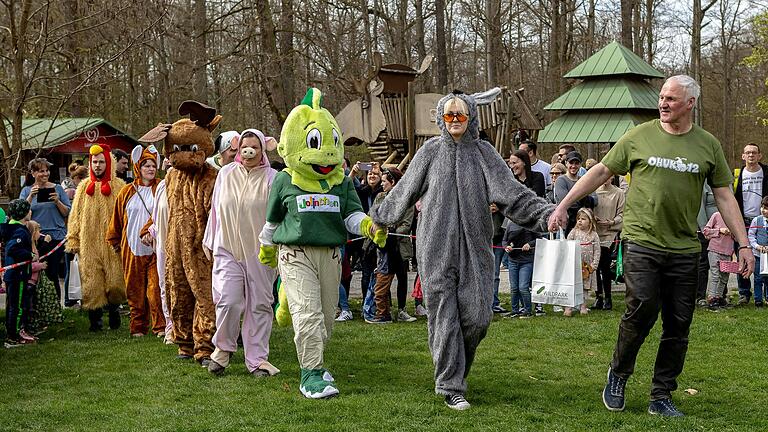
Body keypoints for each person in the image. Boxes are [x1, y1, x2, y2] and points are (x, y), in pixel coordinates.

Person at [548, 75, 753, 417]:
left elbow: (723, 195)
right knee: (641, 307)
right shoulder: (639, 136)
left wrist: (743, 243)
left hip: (686, 248)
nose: (663, 103)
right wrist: (562, 204)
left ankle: (661, 394)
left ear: (690, 103)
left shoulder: (707, 144)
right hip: (642, 241)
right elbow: (600, 172)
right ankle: (619, 373)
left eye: (671, 98)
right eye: (662, 97)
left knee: (678, 324)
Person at [371, 91, 553, 410]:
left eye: (461, 115)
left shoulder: (484, 153)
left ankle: (457, 372)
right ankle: (450, 385)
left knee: (477, 317)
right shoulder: (429, 152)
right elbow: (405, 189)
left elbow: (512, 193)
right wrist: (381, 216)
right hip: (435, 246)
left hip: (475, 247)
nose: (455, 121)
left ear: (471, 118)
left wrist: (546, 213)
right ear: (441, 119)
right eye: (449, 115)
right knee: (443, 316)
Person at [258, 88, 387, 399]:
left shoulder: (341, 182)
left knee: (326, 318)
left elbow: (352, 216)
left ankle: (286, 296)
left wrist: (369, 227)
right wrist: (266, 247)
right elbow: (273, 221)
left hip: (331, 256)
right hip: (296, 253)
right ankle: (311, 374)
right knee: (308, 315)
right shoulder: (285, 180)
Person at [204, 129, 280, 377]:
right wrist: (209, 240)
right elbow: (215, 209)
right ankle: (222, 351)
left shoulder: (273, 177)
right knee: (228, 300)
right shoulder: (225, 174)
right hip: (227, 248)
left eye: (254, 147)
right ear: (237, 150)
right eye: (244, 147)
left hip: (260, 252)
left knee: (259, 304)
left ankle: (257, 360)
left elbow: (278, 215)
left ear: (262, 151)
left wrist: (275, 248)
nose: (248, 152)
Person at [66, 144, 127, 332]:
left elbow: (126, 215)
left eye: (101, 162)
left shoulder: (120, 187)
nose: (97, 166)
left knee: (116, 282)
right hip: (88, 243)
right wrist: (73, 240)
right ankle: (96, 321)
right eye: (94, 162)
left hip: (113, 244)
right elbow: (75, 215)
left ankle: (114, 312)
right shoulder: (84, 187)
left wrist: (124, 238)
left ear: (109, 163)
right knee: (92, 283)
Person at [107, 145, 165, 337]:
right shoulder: (126, 192)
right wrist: (114, 239)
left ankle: (160, 327)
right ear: (138, 166)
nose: (150, 169)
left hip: (156, 248)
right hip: (131, 248)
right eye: (146, 165)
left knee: (155, 290)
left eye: (153, 165)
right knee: (134, 291)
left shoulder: (162, 188)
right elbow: (117, 218)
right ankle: (138, 326)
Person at [367, 168, 417, 324]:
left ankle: (402, 310)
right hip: (383, 246)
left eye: (384, 182)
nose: (382, 185)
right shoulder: (380, 197)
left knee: (402, 278)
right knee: (383, 278)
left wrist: (389, 230)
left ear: (393, 182)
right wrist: (378, 230)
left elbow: (406, 224)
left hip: (399, 246)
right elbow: (372, 216)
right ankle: (384, 311)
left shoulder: (407, 200)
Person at [20, 158, 71, 305]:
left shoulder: (58, 189)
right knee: (34, 274)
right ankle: (36, 307)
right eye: (41, 171)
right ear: (33, 173)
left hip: (56, 237)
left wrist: (57, 201)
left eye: (47, 170)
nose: (45, 173)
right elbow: (20, 213)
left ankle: (55, 307)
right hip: (35, 238)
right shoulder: (26, 191)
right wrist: (30, 196)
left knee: (52, 272)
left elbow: (67, 212)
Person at [142, 157, 174, 344]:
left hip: (182, 244)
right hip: (162, 244)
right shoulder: (162, 187)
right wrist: (151, 232)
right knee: (164, 286)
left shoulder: (188, 185)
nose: (170, 168)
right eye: (167, 165)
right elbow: (156, 216)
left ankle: (187, 327)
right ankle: (170, 326)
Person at [733, 143, 768, 305]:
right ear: (743, 156)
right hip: (742, 221)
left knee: (764, 257)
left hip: (762, 221)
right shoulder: (737, 175)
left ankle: (764, 294)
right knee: (742, 256)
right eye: (748, 153)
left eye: (754, 153)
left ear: (759, 156)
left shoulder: (766, 172)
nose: (751, 155)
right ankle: (744, 293)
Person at [2, 199, 35, 347]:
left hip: (13, 275)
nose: (31, 212)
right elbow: (12, 249)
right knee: (17, 307)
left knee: (12, 305)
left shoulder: (10, 228)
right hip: (17, 275)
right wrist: (29, 255)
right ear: (23, 213)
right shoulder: (19, 231)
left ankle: (14, 331)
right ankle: (13, 336)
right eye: (28, 210)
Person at [25, 220, 63, 335]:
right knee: (30, 306)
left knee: (35, 305)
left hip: (34, 282)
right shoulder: (28, 247)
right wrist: (40, 266)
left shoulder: (34, 245)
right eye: (38, 230)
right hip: (29, 282)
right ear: (33, 233)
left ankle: (36, 325)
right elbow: (29, 264)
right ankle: (29, 328)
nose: (40, 233)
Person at [593, 176, 625, 310]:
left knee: (604, 267)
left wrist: (612, 222)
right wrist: (592, 217)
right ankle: (598, 297)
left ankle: (608, 298)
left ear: (612, 177)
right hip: (594, 233)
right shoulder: (594, 191)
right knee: (595, 267)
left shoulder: (619, 193)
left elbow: (622, 214)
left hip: (609, 233)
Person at [566, 208, 601, 316]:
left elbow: (597, 250)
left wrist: (594, 265)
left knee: (585, 287)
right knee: (572, 285)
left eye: (583, 219)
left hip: (587, 266)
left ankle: (583, 306)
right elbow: (567, 245)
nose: (580, 221)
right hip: (574, 265)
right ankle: (569, 307)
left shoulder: (594, 235)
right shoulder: (574, 232)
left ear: (590, 221)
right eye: (578, 219)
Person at [553, 151, 597, 235]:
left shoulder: (584, 180)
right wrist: (585, 198)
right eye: (571, 163)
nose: (573, 166)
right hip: (566, 223)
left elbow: (595, 200)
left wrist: (584, 199)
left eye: (576, 163)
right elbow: (566, 202)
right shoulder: (561, 180)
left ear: (580, 165)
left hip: (584, 226)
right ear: (566, 163)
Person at [502, 221, 539, 318]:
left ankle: (528, 311)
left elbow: (538, 238)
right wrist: (506, 247)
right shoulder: (510, 224)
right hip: (512, 260)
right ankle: (515, 310)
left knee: (523, 287)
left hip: (526, 261)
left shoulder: (531, 224)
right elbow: (504, 240)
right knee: (514, 288)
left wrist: (529, 244)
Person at [702, 211, 734, 310]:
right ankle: (712, 299)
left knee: (724, 277)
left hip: (727, 252)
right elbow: (706, 231)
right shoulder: (716, 215)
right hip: (714, 250)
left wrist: (732, 233)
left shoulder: (735, 218)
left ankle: (719, 298)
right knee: (715, 275)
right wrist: (719, 230)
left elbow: (738, 237)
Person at [696, 184, 718, 306]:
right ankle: (700, 296)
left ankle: (719, 295)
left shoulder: (727, 181)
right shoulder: (703, 183)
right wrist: (704, 228)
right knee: (703, 263)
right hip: (705, 230)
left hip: (723, 230)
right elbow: (700, 208)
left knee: (722, 263)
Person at [747, 196, 768, 308]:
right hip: (758, 255)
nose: (764, 210)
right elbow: (751, 235)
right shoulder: (756, 220)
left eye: (767, 208)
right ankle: (758, 300)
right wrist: (756, 246)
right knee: (758, 278)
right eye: (762, 207)